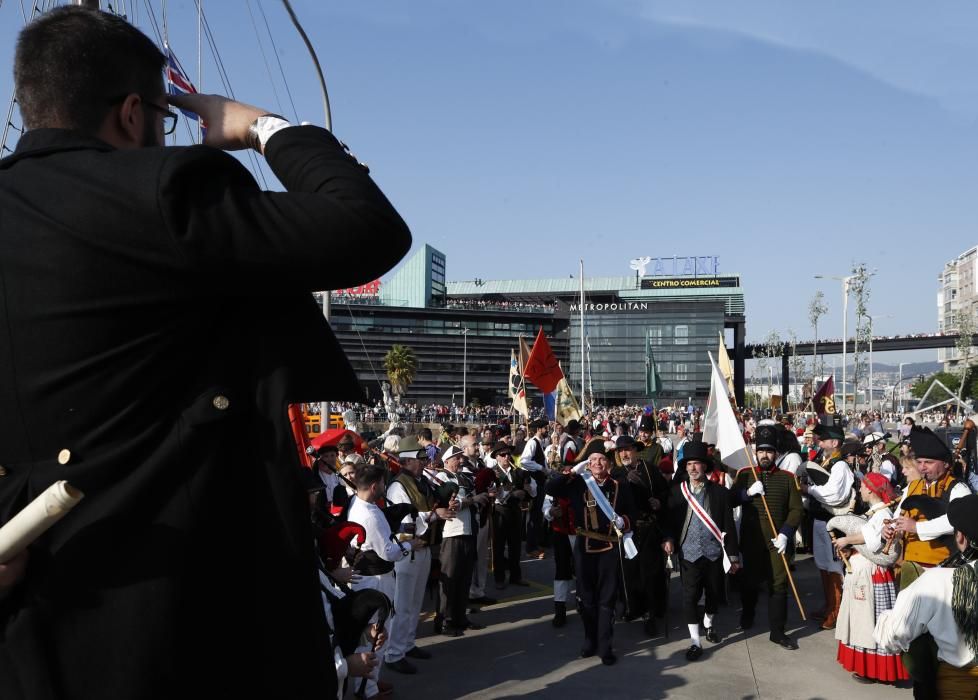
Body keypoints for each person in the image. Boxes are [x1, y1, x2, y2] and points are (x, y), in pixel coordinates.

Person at [0, 7, 411, 700]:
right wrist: (262, 127)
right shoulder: (158, 192)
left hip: (28, 616)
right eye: (164, 117)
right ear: (134, 114)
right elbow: (367, 228)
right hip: (183, 620)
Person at [875, 494, 978, 699]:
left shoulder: (936, 581)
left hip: (952, 687)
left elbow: (893, 636)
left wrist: (887, 616)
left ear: (960, 537)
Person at [546, 452, 636, 666]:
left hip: (609, 548)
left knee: (606, 600)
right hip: (584, 548)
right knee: (586, 600)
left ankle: (605, 646)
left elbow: (633, 513)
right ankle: (590, 640)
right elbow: (551, 488)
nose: (597, 463)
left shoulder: (619, 485)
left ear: (609, 464)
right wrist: (573, 471)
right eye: (592, 460)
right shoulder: (578, 483)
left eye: (601, 459)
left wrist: (624, 521)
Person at [663, 441, 740, 661]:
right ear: (685, 467)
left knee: (714, 594)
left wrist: (733, 556)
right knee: (690, 596)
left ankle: (708, 623)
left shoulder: (720, 493)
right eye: (689, 464)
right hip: (688, 553)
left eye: (697, 464)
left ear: (705, 466)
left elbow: (728, 525)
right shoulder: (677, 492)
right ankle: (695, 641)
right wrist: (668, 538)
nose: (693, 468)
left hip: (714, 552)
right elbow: (668, 521)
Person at [830, 474, 909, 684]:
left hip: (873, 573)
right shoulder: (877, 512)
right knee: (866, 619)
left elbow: (873, 543)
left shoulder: (883, 513)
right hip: (868, 570)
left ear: (871, 490)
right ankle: (874, 669)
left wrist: (847, 539)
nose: (861, 490)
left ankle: (875, 669)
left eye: (863, 487)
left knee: (869, 620)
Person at [731, 424, 804, 649]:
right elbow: (729, 500)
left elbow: (796, 510)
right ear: (755, 451)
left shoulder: (787, 477)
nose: (765, 455)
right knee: (749, 582)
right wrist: (746, 493)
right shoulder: (745, 475)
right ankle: (748, 614)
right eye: (761, 451)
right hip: (752, 540)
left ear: (776, 453)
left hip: (777, 542)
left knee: (778, 585)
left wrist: (786, 533)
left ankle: (777, 631)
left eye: (769, 451)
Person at [347, 464, 414, 698]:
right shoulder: (370, 514)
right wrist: (408, 545)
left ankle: (371, 682)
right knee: (376, 634)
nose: (385, 488)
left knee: (372, 634)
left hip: (367, 578)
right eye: (384, 484)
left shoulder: (358, 504)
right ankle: (367, 689)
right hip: (375, 579)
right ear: (375, 486)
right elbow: (388, 552)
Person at [383, 440, 447, 675]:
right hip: (407, 550)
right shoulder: (398, 486)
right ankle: (393, 652)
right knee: (402, 604)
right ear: (407, 461)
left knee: (415, 601)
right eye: (419, 460)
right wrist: (433, 515)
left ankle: (407, 644)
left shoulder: (420, 482)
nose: (423, 463)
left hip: (422, 547)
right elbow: (404, 519)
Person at [801, 422, 855, 630]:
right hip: (819, 519)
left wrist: (809, 489)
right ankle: (829, 605)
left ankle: (837, 611)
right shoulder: (823, 460)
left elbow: (833, 495)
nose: (819, 442)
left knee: (834, 567)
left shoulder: (840, 465)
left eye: (823, 439)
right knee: (823, 564)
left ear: (835, 442)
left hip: (834, 522)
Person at [615, 435, 671, 636]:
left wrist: (659, 502)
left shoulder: (650, 470)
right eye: (620, 451)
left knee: (649, 573)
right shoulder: (616, 473)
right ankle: (633, 607)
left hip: (648, 529)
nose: (624, 454)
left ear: (635, 450)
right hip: (626, 532)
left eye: (628, 449)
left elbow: (666, 494)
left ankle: (650, 612)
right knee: (628, 572)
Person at [433, 445, 489, 637]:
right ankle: (444, 620)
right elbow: (453, 505)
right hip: (451, 533)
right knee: (449, 579)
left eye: (461, 458)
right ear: (447, 460)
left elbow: (469, 498)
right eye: (457, 458)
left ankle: (459, 617)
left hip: (468, 530)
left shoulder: (464, 477)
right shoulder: (441, 477)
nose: (461, 461)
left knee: (464, 577)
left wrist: (477, 499)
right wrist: (473, 501)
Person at [490, 443, 533, 588]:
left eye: (508, 454)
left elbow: (528, 491)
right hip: (499, 511)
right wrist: (513, 493)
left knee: (515, 545)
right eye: (503, 455)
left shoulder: (518, 472)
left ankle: (516, 576)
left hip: (515, 510)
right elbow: (493, 493)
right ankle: (499, 578)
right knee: (499, 546)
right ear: (496, 457)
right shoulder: (492, 472)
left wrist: (525, 492)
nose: (507, 457)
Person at [520, 417, 551, 558]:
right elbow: (524, 461)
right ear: (539, 429)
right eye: (545, 428)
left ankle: (535, 543)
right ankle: (530, 547)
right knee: (534, 516)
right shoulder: (532, 443)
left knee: (537, 516)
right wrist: (541, 468)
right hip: (535, 484)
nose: (547, 430)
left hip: (541, 482)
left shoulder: (540, 443)